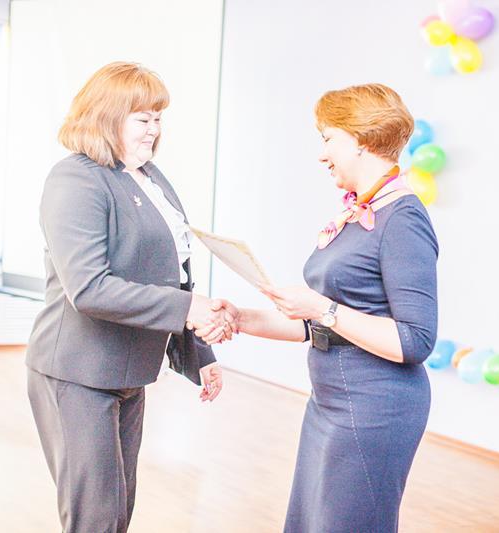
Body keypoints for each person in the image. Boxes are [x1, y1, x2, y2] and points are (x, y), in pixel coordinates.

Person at [204, 83, 438, 532]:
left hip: (375, 407)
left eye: (328, 139)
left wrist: (322, 307)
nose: (322, 154)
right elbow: (319, 327)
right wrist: (241, 317)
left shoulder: (402, 218)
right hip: (331, 399)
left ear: (362, 141)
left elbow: (415, 341)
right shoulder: (360, 213)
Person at [25, 62, 232, 533]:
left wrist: (197, 352)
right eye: (143, 119)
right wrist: (190, 310)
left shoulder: (149, 177)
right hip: (77, 373)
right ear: (107, 117)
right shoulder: (75, 179)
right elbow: (89, 288)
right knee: (96, 520)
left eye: (159, 118)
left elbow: (172, 275)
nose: (155, 129)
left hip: (129, 371)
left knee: (118, 513)